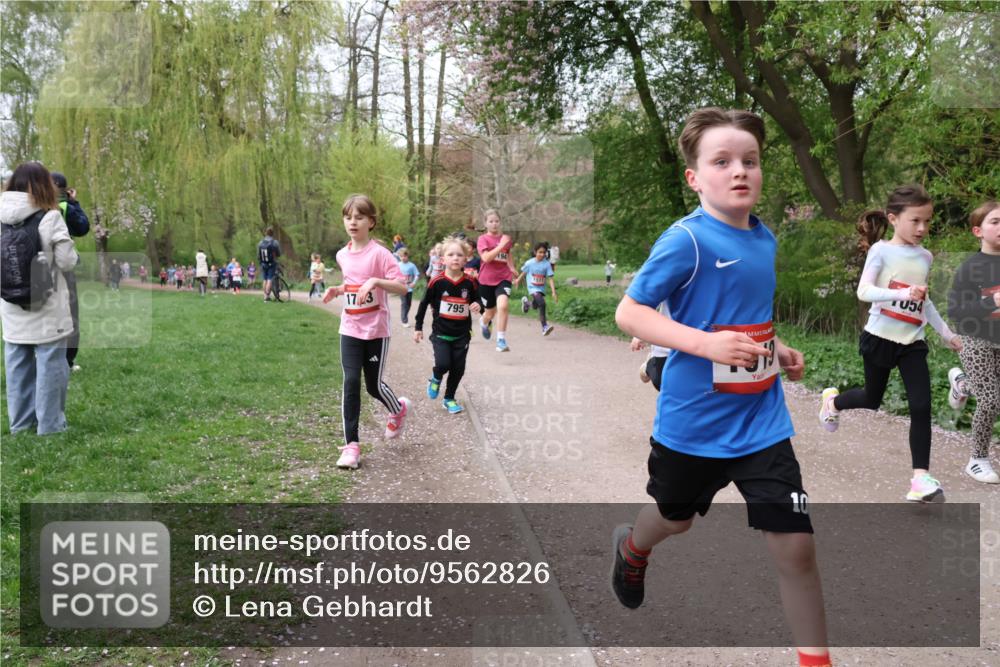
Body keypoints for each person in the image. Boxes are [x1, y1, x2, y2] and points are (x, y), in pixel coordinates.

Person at [612, 108, 830, 667]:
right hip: (693, 425)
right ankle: (633, 548)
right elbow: (631, 313)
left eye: (750, 161)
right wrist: (706, 345)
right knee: (674, 519)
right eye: (722, 161)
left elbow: (747, 313)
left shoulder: (764, 237)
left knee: (796, 546)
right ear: (695, 177)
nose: (740, 171)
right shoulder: (685, 240)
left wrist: (774, 348)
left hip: (761, 421)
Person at [819, 184, 961, 502]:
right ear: (893, 218)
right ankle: (833, 403)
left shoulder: (925, 256)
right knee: (872, 398)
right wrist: (900, 293)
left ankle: (920, 480)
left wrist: (946, 333)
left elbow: (924, 302)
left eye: (927, 221)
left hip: (912, 341)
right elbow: (864, 292)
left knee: (921, 406)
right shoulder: (880, 250)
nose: (923, 228)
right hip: (880, 338)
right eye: (916, 220)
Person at [322, 194, 411, 469]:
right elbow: (352, 283)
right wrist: (337, 290)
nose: (353, 222)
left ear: (371, 222)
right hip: (349, 328)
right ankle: (351, 447)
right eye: (348, 217)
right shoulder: (341, 255)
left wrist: (376, 281)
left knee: (373, 386)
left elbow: (403, 286)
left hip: (375, 331)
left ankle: (398, 409)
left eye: (359, 217)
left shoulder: (380, 254)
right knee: (350, 382)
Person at [1, 163, 79, 435]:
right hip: (47, 305)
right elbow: (67, 263)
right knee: (51, 365)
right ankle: (50, 426)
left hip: (11, 305)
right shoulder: (50, 217)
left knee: (17, 366)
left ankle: (20, 426)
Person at [946, 200, 1000, 483]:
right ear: (978, 231)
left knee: (995, 398)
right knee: (990, 400)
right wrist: (990, 301)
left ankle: (963, 384)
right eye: (995, 222)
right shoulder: (970, 268)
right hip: (974, 338)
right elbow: (955, 311)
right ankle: (977, 460)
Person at [413, 236, 481, 414]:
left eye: (460, 255)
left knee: (458, 368)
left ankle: (449, 398)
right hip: (441, 333)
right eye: (451, 254)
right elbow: (423, 304)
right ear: (442, 260)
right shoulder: (437, 281)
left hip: (462, 334)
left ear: (466, 259)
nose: (456, 258)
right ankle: (436, 378)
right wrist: (418, 327)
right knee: (443, 364)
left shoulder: (470, 282)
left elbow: (477, 299)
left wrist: (477, 305)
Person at [50, 172, 90, 372]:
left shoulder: (35, 205)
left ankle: (44, 359)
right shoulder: (65, 207)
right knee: (71, 315)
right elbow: (83, 227)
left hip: (39, 269)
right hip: (64, 267)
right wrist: (74, 202)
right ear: (64, 188)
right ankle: (67, 360)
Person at [477, 209, 517, 352]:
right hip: (486, 280)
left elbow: (508, 254)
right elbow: (486, 258)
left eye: (496, 221)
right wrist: (501, 245)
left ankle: (501, 340)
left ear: (500, 222)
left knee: (503, 306)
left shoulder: (505, 238)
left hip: (503, 278)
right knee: (490, 313)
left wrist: (511, 268)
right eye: (491, 221)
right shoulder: (483, 239)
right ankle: (484, 322)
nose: (494, 224)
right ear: (485, 223)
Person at [515, 242, 558, 336]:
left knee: (535, 305)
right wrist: (518, 280)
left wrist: (554, 292)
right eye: (540, 252)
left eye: (544, 252)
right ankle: (544, 327)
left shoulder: (547, 264)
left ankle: (526, 303)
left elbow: (550, 278)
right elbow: (524, 272)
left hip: (541, 288)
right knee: (542, 303)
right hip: (532, 287)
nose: (542, 254)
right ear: (535, 252)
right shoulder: (530, 263)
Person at [631, 302, 672, 391]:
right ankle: (649, 365)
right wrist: (639, 333)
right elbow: (649, 303)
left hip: (697, 346)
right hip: (666, 344)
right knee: (660, 383)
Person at [396, 247, 421, 327]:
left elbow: (417, 274)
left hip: (409, 288)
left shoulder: (412, 265)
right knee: (404, 304)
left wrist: (414, 283)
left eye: (404, 256)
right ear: (399, 257)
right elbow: (394, 275)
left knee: (408, 304)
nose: (403, 258)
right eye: (401, 256)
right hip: (401, 288)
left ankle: (404, 317)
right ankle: (404, 320)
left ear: (407, 256)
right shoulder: (398, 265)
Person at [258, 227, 281, 301]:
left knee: (264, 279)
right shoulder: (274, 242)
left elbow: (258, 255)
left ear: (266, 233)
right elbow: (278, 253)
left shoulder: (260, 242)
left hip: (263, 263)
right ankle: (267, 295)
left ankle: (264, 295)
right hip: (271, 263)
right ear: (272, 234)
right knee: (269, 279)